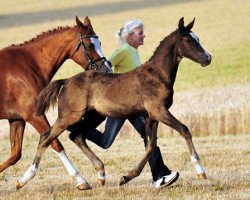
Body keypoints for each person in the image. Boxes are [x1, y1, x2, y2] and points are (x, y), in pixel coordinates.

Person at [86, 19, 179, 189]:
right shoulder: (124, 50)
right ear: (129, 36)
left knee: (148, 136)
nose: (144, 36)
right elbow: (104, 67)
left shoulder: (133, 51)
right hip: (120, 103)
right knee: (106, 142)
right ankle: (78, 131)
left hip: (135, 106)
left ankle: (160, 176)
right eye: (140, 33)